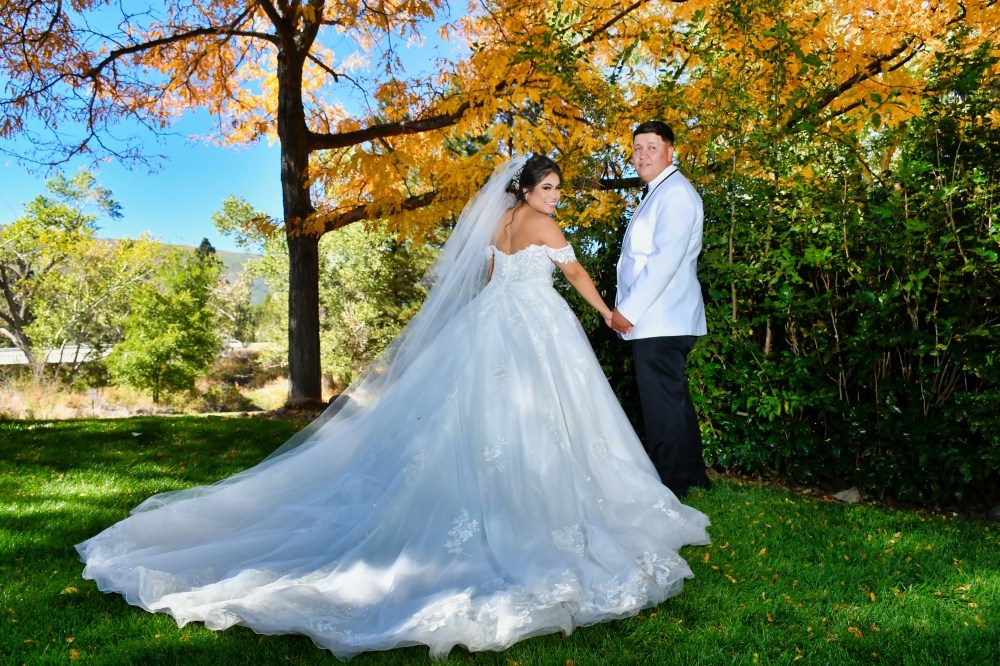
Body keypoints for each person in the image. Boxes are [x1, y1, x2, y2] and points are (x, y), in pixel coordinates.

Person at [77, 155, 710, 660]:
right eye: (549, 188)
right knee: (547, 418)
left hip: (493, 324)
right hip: (536, 326)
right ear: (528, 188)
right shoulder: (544, 228)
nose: (555, 198)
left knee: (479, 418)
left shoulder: (496, 224)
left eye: (556, 190)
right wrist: (608, 314)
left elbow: (490, 280)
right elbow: (573, 278)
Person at [610, 121, 712, 499]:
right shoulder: (660, 192)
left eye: (652, 147)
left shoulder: (676, 194)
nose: (642, 155)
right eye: (637, 148)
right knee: (674, 400)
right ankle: (693, 477)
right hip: (662, 316)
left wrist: (628, 311)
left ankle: (671, 486)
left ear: (671, 152)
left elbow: (665, 260)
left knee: (661, 405)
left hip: (658, 316)